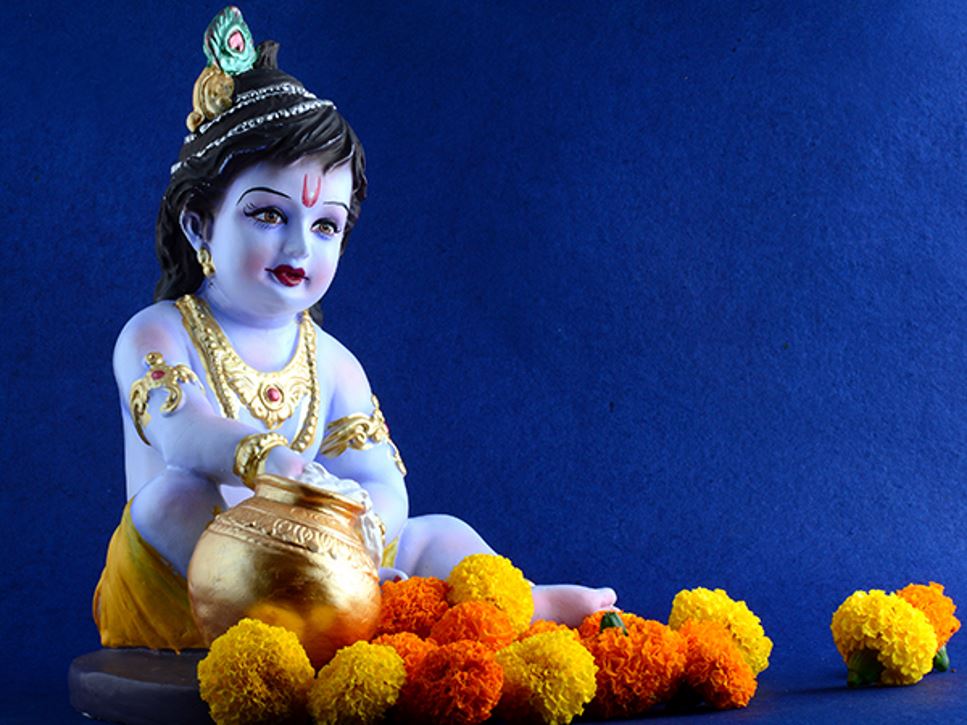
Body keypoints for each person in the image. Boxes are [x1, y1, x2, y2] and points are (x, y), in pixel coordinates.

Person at [94, 7, 616, 651]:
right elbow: (181, 434)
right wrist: (275, 463)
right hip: (187, 579)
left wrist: (359, 532)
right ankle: (339, 613)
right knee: (173, 496)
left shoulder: (333, 362)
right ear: (199, 224)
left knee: (438, 531)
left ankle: (517, 602)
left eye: (325, 227)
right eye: (267, 216)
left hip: (319, 552)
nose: (299, 248)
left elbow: (380, 479)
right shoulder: (157, 333)